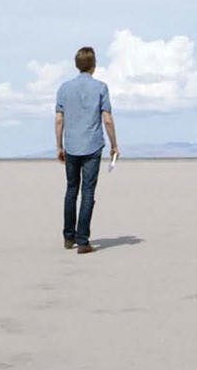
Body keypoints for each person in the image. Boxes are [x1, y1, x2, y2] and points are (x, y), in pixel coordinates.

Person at [55, 46, 119, 254]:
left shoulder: (64, 88)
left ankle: (68, 237)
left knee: (71, 190)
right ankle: (82, 241)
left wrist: (59, 146)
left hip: (72, 145)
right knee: (88, 192)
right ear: (93, 65)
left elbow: (59, 119)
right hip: (92, 146)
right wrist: (114, 145)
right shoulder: (101, 87)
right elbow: (107, 119)